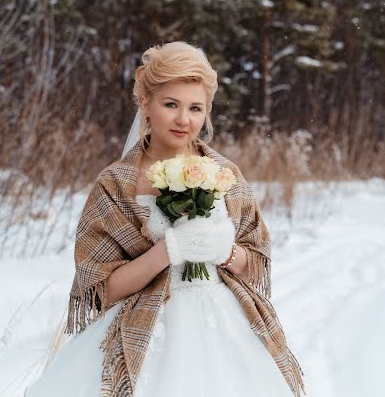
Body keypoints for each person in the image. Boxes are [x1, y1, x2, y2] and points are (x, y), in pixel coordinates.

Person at [24, 41, 306, 397]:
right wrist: (167, 251)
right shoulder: (115, 184)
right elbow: (102, 289)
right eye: (170, 104)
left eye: (195, 108)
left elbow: (256, 264)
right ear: (145, 103)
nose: (184, 120)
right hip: (145, 324)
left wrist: (226, 253)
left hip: (223, 323)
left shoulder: (225, 174)